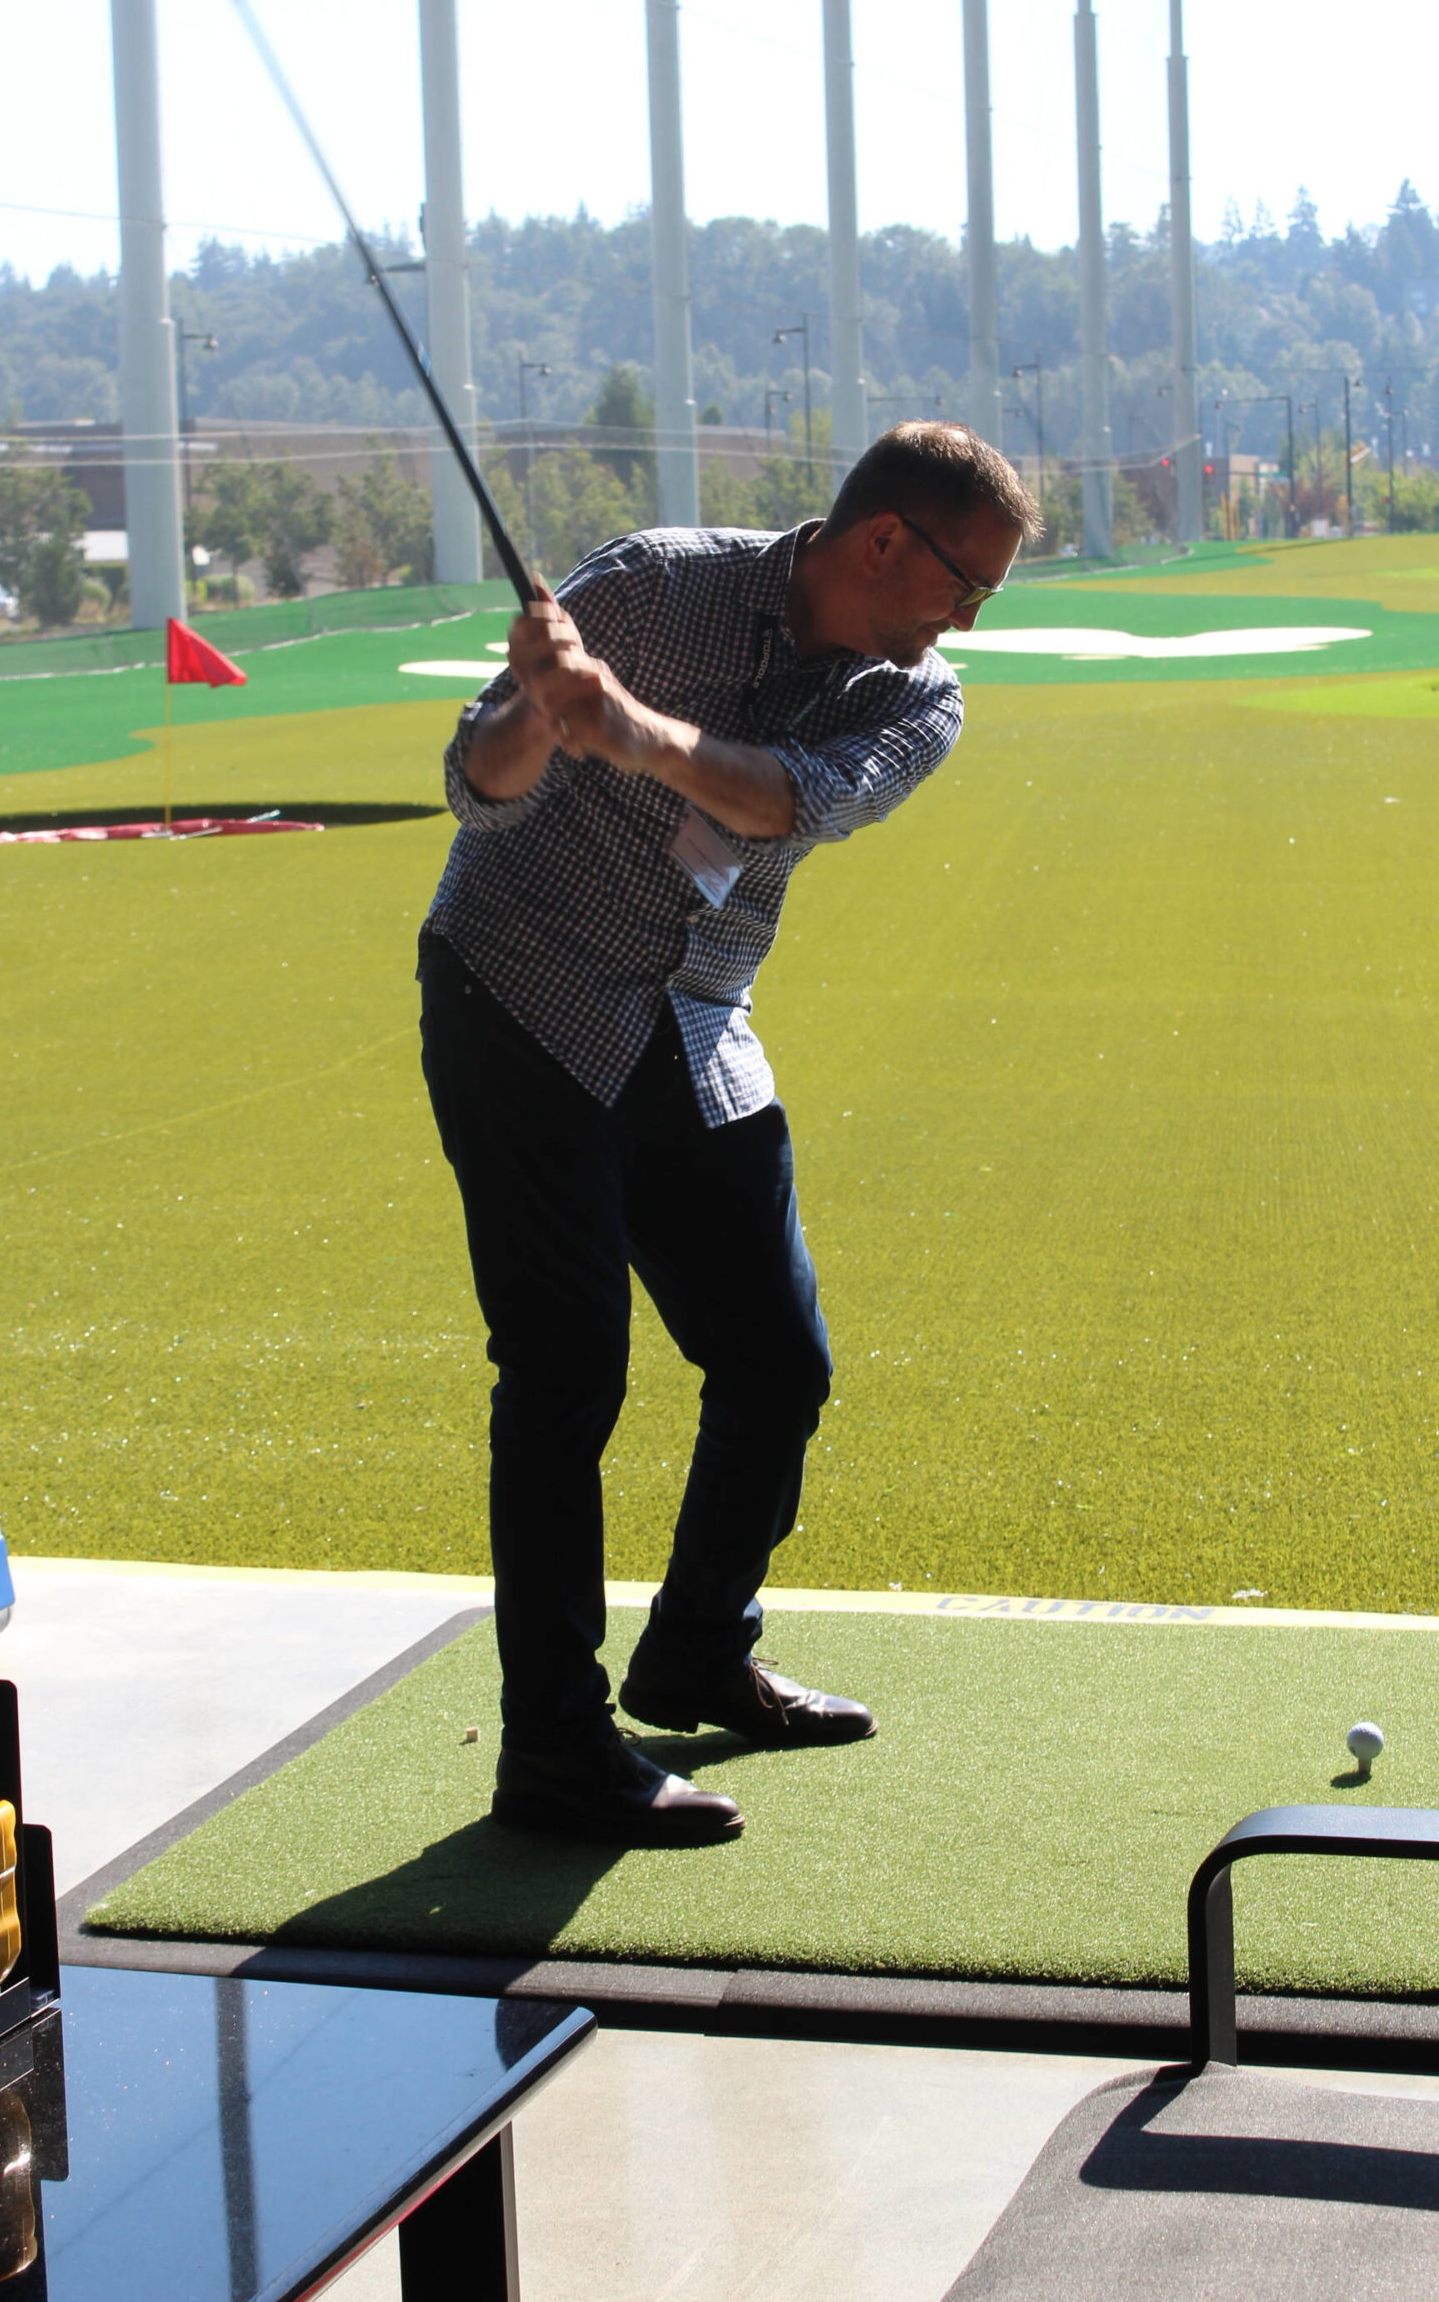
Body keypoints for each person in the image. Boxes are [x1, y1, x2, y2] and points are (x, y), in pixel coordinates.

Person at [418, 421, 1038, 1844]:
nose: (970, 616)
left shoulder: (917, 697)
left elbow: (788, 800)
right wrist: (537, 707)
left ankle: (698, 1650)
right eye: (969, 582)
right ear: (885, 539)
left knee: (776, 1357)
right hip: (518, 994)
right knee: (566, 1367)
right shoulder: (648, 587)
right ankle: (554, 1752)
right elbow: (478, 784)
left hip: (691, 1014)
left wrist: (626, 731)